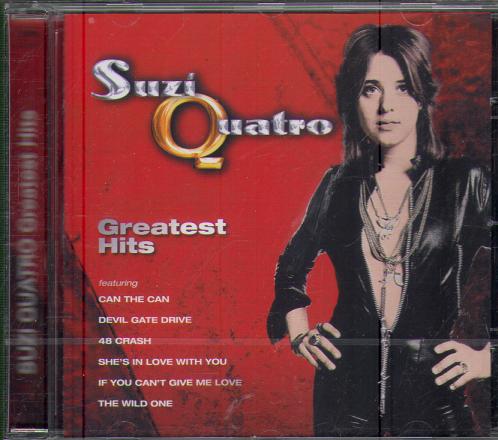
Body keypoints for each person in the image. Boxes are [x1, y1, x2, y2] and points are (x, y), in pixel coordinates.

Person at [267, 24, 491, 437]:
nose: (387, 105)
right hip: (342, 401)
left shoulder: (463, 183)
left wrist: (488, 358)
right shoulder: (338, 185)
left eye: (402, 87)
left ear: (422, 96)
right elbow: (290, 268)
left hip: (433, 402)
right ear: (353, 99)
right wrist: (299, 335)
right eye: (371, 89)